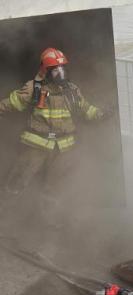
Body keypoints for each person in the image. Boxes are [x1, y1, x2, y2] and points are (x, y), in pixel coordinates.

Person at [0, 47, 106, 209]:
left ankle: (49, 222)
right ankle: (5, 211)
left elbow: (85, 108)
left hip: (63, 149)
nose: (60, 73)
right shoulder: (34, 88)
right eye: (55, 70)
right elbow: (10, 103)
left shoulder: (72, 90)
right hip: (37, 146)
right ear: (46, 71)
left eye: (62, 68)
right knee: (18, 179)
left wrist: (100, 114)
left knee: (54, 187)